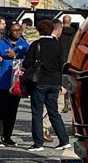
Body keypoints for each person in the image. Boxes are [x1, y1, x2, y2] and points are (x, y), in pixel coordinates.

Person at [22, 19, 68, 151]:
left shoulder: (36, 44)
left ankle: (38, 143)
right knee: (54, 112)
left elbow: (27, 63)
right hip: (54, 82)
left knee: (37, 113)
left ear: (39, 30)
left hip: (40, 81)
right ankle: (64, 140)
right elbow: (61, 65)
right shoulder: (57, 45)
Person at [0, 21, 30, 147]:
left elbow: (28, 60)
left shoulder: (25, 45)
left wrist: (16, 55)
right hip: (4, 80)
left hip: (17, 82)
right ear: (9, 31)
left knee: (13, 110)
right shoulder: (1, 44)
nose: (17, 32)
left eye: (19, 30)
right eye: (14, 30)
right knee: (3, 109)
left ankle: (8, 136)